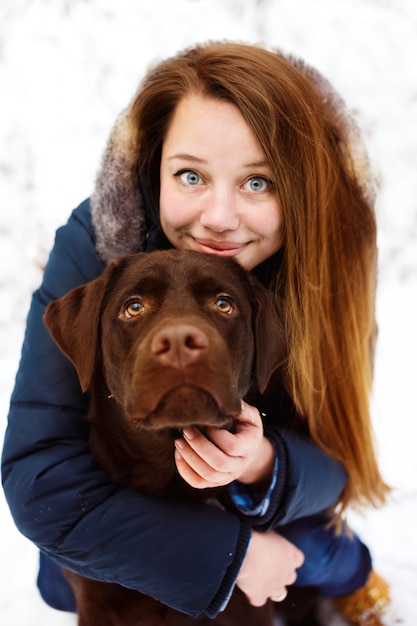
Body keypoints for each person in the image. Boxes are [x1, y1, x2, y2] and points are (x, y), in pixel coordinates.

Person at [2, 41, 393, 625]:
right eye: (190, 175)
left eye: (259, 183)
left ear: (303, 192)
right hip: (143, 488)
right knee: (59, 583)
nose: (218, 217)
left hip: (264, 497)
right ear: (152, 169)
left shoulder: (327, 273)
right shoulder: (95, 246)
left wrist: (260, 461)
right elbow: (39, 471)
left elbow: (338, 454)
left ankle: (354, 574)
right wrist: (230, 558)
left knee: (320, 554)